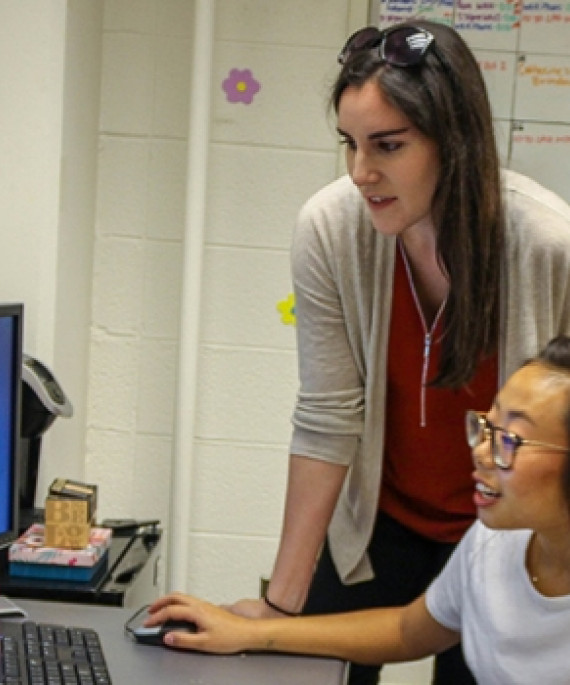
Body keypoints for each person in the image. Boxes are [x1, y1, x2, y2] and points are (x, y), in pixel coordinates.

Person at [222, 20, 570, 684]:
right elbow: (326, 418)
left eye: (388, 146)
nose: (361, 172)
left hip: (499, 528)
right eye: (349, 144)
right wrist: (277, 608)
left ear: (454, 141)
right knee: (308, 665)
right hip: (379, 521)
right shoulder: (330, 230)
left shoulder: (548, 244)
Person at [146, 335, 570, 685]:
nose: (480, 452)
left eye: (510, 439)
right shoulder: (491, 544)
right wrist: (250, 632)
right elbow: (405, 630)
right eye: (485, 426)